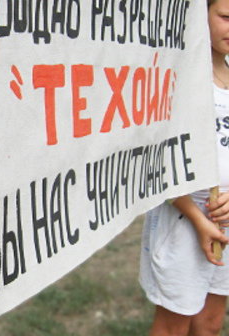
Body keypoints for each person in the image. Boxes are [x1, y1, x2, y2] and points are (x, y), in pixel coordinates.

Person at [139, 1, 229, 334]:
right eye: (225, 18)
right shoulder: (178, 76)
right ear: (201, 15)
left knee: (210, 322)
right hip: (184, 219)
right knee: (174, 323)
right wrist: (197, 218)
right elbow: (157, 159)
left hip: (225, 217)